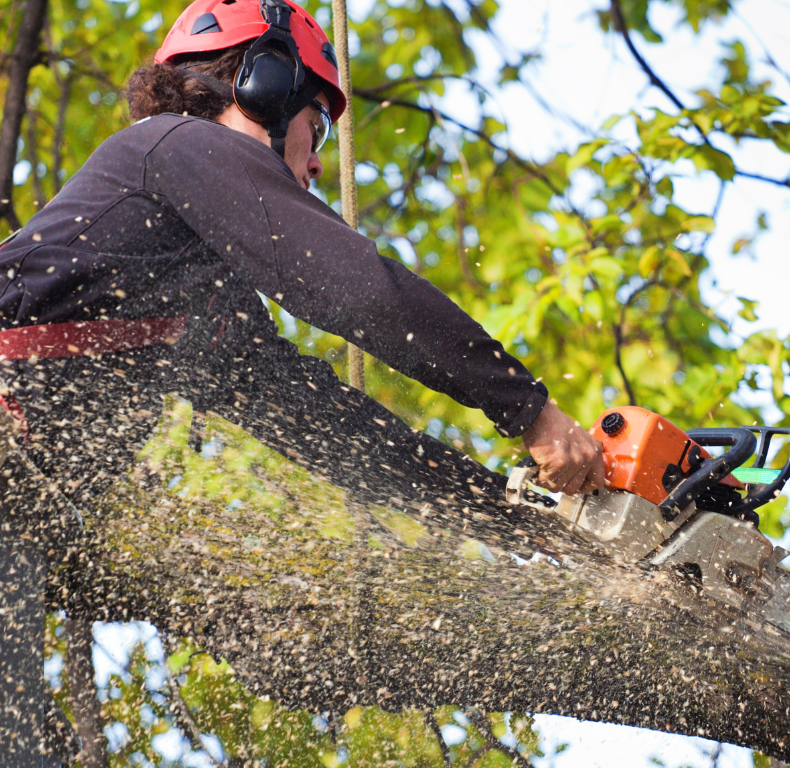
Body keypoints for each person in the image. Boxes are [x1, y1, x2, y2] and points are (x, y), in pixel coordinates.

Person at [0, 0, 604, 762]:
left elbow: (337, 431)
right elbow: (358, 291)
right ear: (262, 82)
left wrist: (517, 521)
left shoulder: (202, 310)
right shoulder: (174, 145)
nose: (317, 163)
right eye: (314, 130)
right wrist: (530, 410)